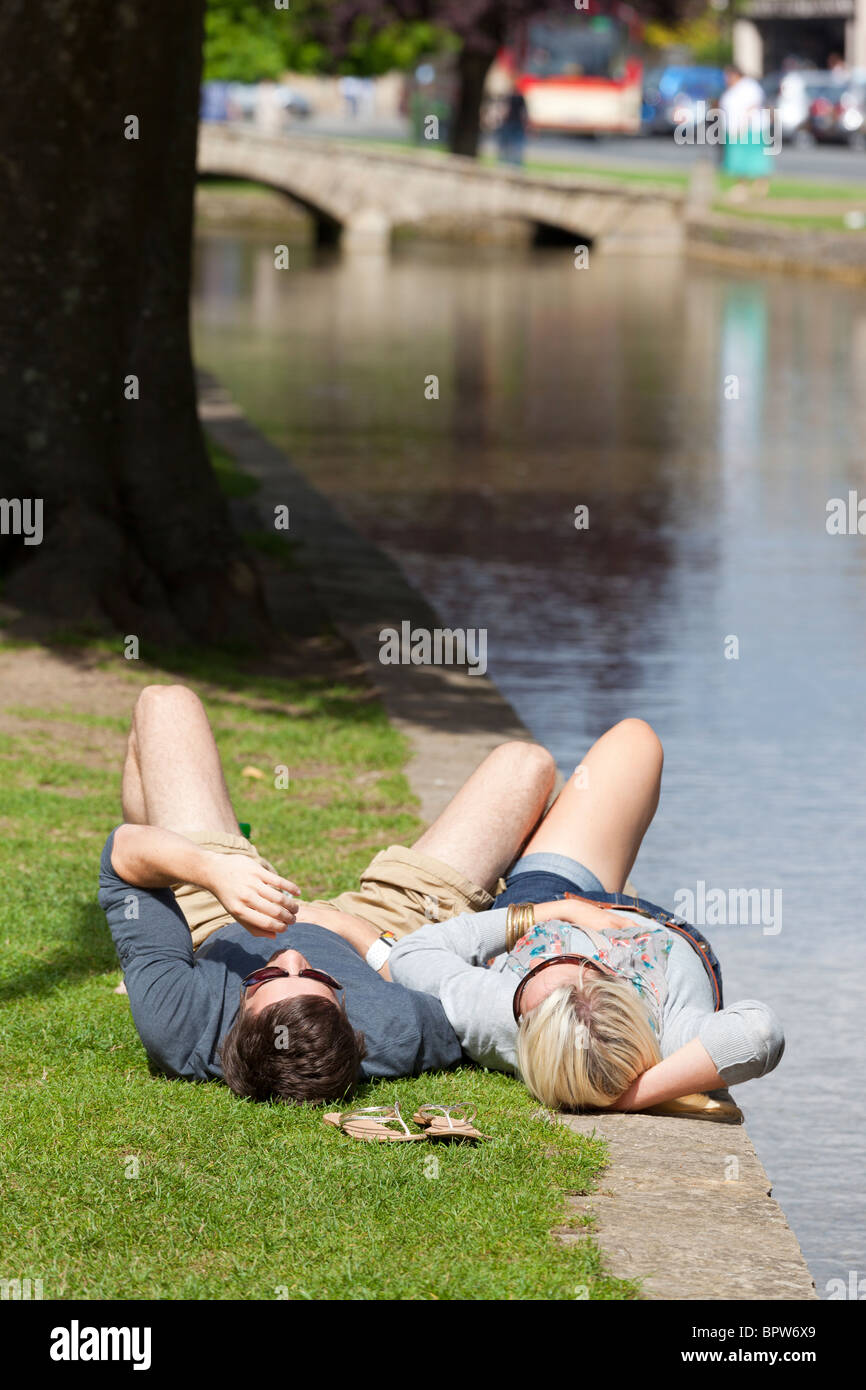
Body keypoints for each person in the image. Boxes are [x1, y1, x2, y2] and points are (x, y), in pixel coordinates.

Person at [98, 684, 556, 1104]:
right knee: (526, 763)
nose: (293, 953)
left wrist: (213, 872)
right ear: (346, 1012)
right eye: (321, 980)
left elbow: (125, 849)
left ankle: (148, 951)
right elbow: (456, 982)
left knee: (164, 702)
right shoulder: (390, 1029)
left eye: (263, 979)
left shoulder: (180, 1022)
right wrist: (353, 931)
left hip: (217, 918)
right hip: (383, 930)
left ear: (236, 1020)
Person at [388, 719, 785, 1113]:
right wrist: (633, 1097)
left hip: (546, 895)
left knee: (528, 763)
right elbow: (759, 1034)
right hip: (606, 905)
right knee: (637, 740)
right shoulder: (671, 1035)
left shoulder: (495, 1013)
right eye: (589, 970)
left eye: (542, 973)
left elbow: (412, 952)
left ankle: (540, 839)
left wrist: (556, 911)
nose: (574, 961)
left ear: (527, 1024)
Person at [719, 65, 771, 199]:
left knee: (755, 159)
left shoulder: (749, 86)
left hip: (750, 129)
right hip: (734, 129)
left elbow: (752, 107)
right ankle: (741, 186)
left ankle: (760, 186)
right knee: (738, 159)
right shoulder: (733, 89)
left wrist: (742, 125)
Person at [496, 81, 529, 166]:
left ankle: (510, 163)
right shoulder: (511, 98)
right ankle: (509, 163)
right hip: (511, 124)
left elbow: (523, 113)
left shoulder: (515, 98)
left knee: (512, 146)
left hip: (513, 124)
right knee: (511, 146)